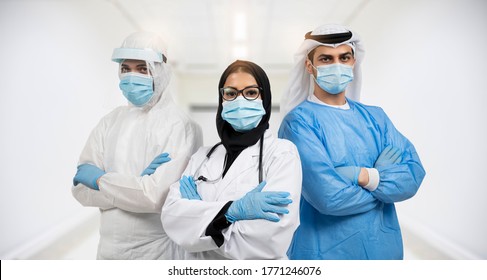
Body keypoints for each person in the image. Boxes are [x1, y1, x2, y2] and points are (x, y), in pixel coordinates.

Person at [278, 24, 426, 260]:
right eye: (326, 59)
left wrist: (364, 176)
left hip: (383, 250)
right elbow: (328, 198)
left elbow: (413, 174)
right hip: (324, 253)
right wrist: (383, 187)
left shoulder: (376, 117)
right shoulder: (298, 123)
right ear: (309, 65)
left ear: (353, 62)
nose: (336, 64)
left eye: (344, 57)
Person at [71, 31, 202, 259]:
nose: (132, 76)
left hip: (156, 252)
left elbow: (156, 198)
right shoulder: (109, 122)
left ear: (160, 71)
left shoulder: (180, 126)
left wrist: (101, 179)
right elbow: (80, 191)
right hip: (108, 252)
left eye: (142, 68)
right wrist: (134, 185)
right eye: (126, 68)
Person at [161, 60, 302, 260]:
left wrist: (203, 220)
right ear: (222, 99)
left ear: (265, 98)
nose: (240, 100)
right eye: (231, 93)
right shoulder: (202, 156)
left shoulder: (282, 154)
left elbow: (271, 240)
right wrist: (230, 212)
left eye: (251, 93)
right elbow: (172, 217)